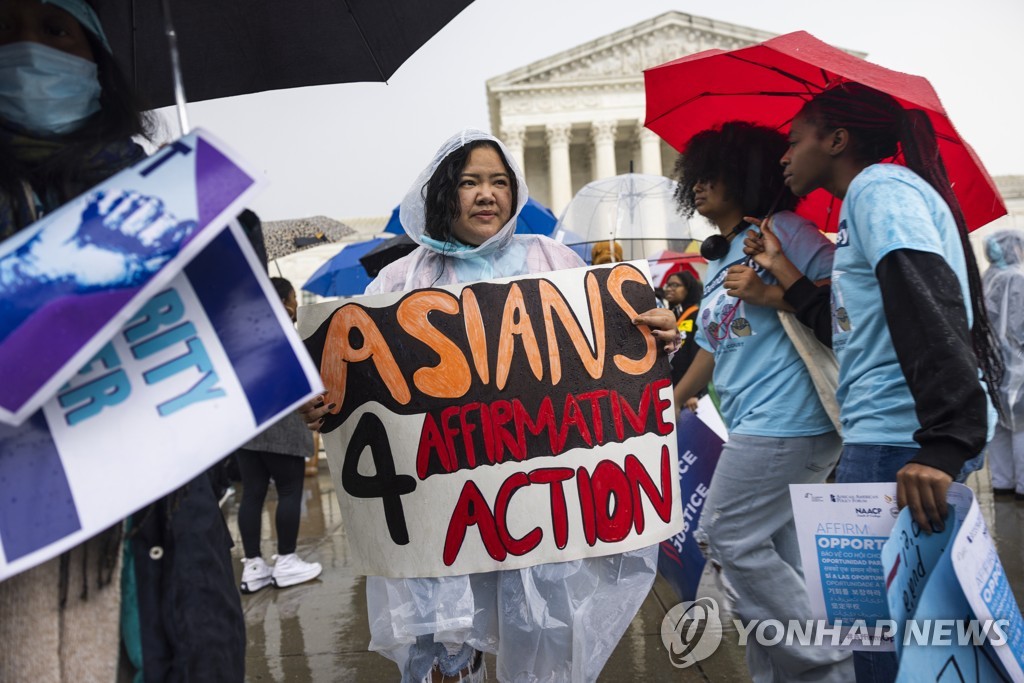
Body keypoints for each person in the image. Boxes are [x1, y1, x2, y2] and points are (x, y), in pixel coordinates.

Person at [301, 129, 678, 683]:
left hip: (542, 512)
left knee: (546, 636)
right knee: (447, 645)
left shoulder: (551, 259)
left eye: (499, 182)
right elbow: (350, 383)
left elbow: (613, 347)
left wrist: (658, 334)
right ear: (441, 194)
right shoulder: (400, 280)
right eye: (470, 182)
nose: (487, 194)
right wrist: (321, 399)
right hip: (443, 514)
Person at [0, 2, 245, 680]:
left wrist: (224, 279)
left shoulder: (165, 202)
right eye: (3, 28)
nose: (26, 51)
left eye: (54, 28)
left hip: (160, 553)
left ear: (95, 61)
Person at [739, 82, 1003, 682]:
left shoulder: (876, 188)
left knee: (886, 650)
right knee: (905, 643)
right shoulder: (870, 203)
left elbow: (924, 296)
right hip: (887, 438)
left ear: (837, 140)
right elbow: (856, 334)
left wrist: (944, 441)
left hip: (900, 445)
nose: (784, 156)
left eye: (795, 139)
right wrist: (785, 270)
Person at [670, 121, 852, 682]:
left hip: (789, 422)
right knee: (779, 558)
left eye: (710, 175)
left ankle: (833, 665)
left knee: (725, 537)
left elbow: (842, 308)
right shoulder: (723, 258)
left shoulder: (790, 233)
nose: (697, 187)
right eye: (692, 178)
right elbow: (709, 349)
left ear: (744, 175)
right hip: (754, 422)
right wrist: (668, 407)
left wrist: (771, 292)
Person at [237, 276, 323, 593]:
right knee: (289, 490)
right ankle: (286, 561)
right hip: (283, 427)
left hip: (249, 428)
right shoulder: (285, 335)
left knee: (252, 493)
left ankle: (253, 566)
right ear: (286, 302)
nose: (298, 305)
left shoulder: (244, 334)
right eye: (295, 299)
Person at [982, 230, 1024, 498]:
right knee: (1021, 426)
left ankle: (1002, 482)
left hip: (992, 364)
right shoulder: (1017, 278)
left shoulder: (989, 277)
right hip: (1018, 366)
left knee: (998, 424)